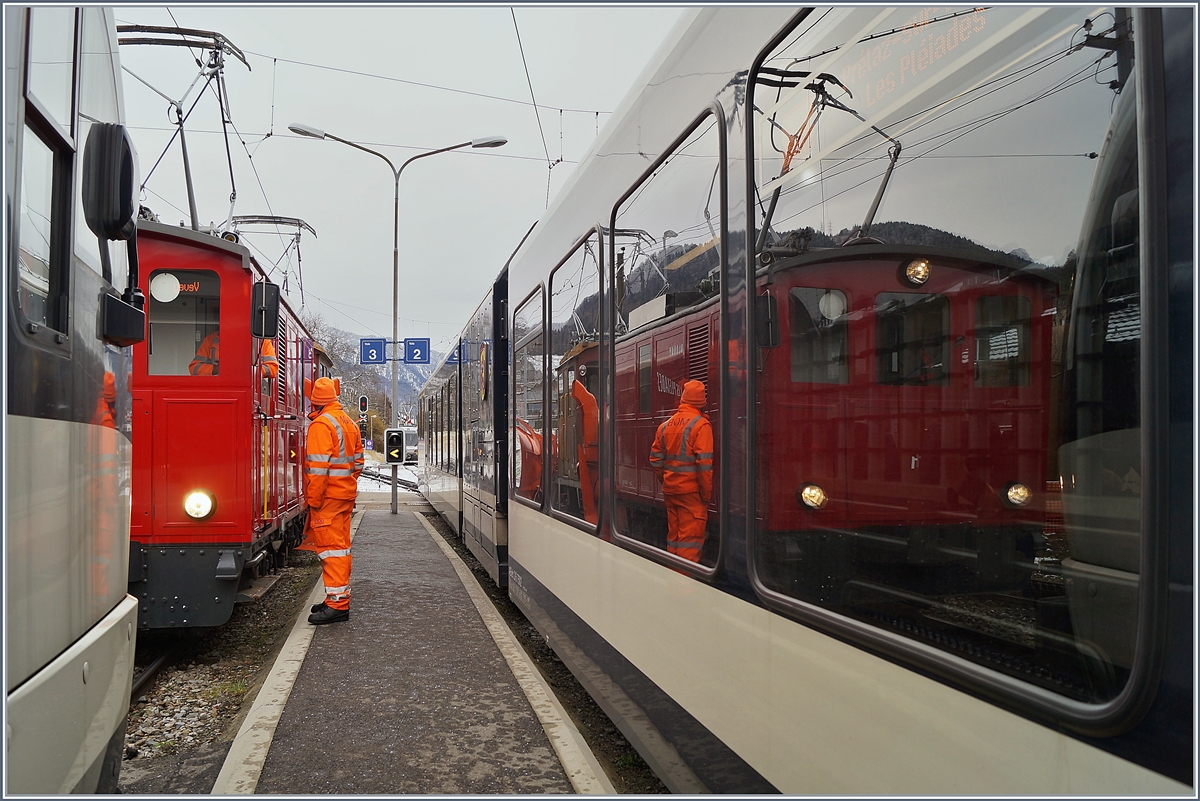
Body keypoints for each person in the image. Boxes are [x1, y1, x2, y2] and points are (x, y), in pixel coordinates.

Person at [298, 376, 364, 624]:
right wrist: (346, 484)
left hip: (327, 499)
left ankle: (338, 605)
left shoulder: (321, 425)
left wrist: (313, 501)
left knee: (331, 551)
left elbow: (318, 469)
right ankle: (334, 598)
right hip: (344, 496)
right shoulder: (348, 422)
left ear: (315, 403)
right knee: (341, 548)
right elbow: (358, 463)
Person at [649, 379, 713, 562]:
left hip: (671, 492)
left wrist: (668, 480)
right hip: (692, 494)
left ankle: (673, 580)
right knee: (689, 545)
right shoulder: (701, 426)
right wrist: (705, 495)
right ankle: (684, 588)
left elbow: (655, 460)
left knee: (674, 541)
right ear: (702, 402)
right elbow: (705, 466)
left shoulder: (665, 426)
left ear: (684, 399)